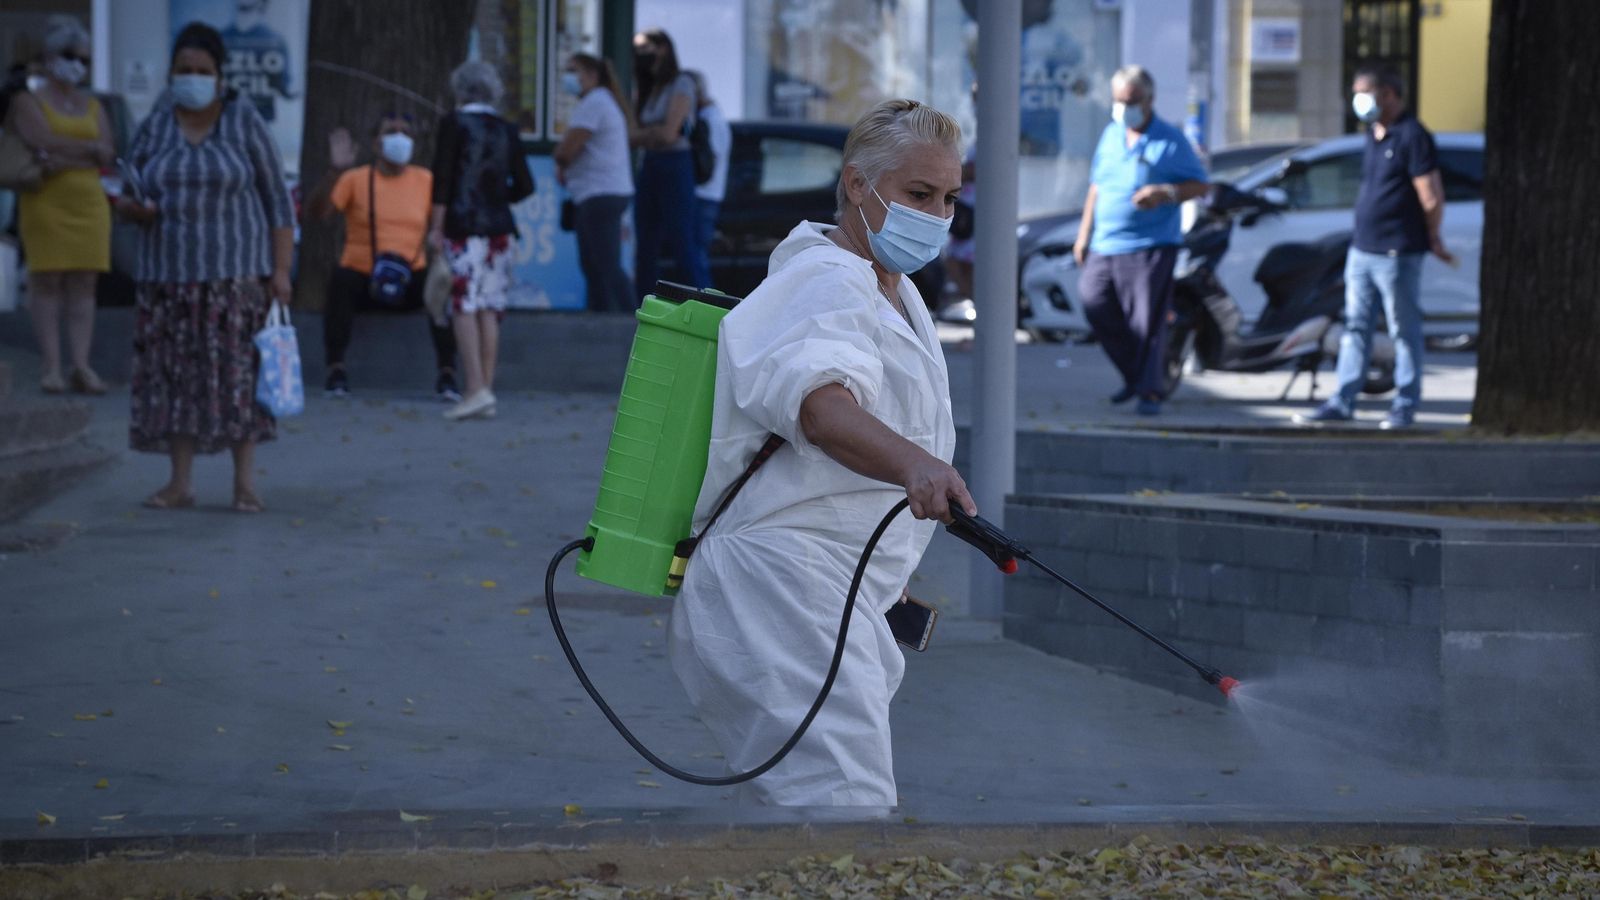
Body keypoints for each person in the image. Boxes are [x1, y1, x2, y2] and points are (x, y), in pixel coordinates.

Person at [668, 99, 974, 807]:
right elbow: (822, 407)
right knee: (844, 808)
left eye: (950, 198)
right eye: (918, 193)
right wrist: (915, 466)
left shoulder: (892, 289)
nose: (937, 215)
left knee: (814, 814)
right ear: (858, 185)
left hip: (828, 589)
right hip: (784, 584)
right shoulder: (827, 278)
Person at [116, 22, 294, 512]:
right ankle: (180, 483)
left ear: (220, 77)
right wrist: (134, 208)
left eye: (202, 70)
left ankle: (245, 484)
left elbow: (278, 201)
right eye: (184, 69)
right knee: (174, 380)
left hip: (234, 280)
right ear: (171, 73)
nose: (192, 78)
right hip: (166, 279)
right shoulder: (156, 123)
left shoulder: (244, 120)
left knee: (238, 381)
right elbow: (128, 190)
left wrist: (281, 272)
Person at [1294, 65, 1453, 431]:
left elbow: (1430, 195)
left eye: (1363, 92)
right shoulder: (1374, 133)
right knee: (1355, 328)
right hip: (1363, 249)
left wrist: (1433, 236)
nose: (1358, 100)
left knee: (1403, 330)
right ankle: (1342, 401)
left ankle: (1405, 404)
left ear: (1388, 94)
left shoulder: (1412, 135)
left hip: (1397, 251)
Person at [1072, 65, 1207, 416]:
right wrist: (1084, 235)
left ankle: (1150, 391)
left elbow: (1200, 185)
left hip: (1150, 245)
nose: (1124, 108)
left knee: (1145, 322)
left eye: (1131, 102)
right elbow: (1097, 187)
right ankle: (1137, 375)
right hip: (1105, 243)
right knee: (1094, 303)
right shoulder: (1111, 134)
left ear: (1150, 100)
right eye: (1119, 101)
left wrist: (1165, 193)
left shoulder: (1171, 139)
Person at [306, 113, 458, 400]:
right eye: (391, 131)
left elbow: (445, 223)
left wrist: (438, 236)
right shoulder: (354, 179)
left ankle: (448, 374)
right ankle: (336, 370)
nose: (399, 138)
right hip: (365, 277)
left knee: (441, 287)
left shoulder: (426, 180)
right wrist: (334, 172)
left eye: (405, 132)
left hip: (410, 278)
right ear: (376, 143)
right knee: (341, 279)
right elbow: (317, 214)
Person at [8, 16, 114, 395]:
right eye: (70, 55)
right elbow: (40, 140)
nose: (77, 65)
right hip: (45, 200)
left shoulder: (93, 104)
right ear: (51, 56)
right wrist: (86, 150)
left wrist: (65, 153)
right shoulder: (27, 101)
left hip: (89, 202)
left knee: (85, 283)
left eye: (84, 59)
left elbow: (107, 150)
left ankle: (81, 366)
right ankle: (51, 367)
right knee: (47, 280)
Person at [428, 60, 535, 421]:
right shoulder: (506, 128)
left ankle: (474, 389)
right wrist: (499, 197)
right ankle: (485, 389)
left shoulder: (454, 123)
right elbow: (525, 184)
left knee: (464, 305)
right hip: (499, 231)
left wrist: (436, 227)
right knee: (490, 307)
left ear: (460, 89)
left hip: (462, 227)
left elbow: (442, 180)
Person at [552, 53, 634, 313]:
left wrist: (560, 158)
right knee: (595, 265)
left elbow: (567, 151)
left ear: (592, 75)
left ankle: (627, 318)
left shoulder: (595, 102)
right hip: (603, 193)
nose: (568, 77)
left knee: (604, 265)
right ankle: (602, 318)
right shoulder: (602, 101)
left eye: (573, 70)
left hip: (599, 193)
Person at [629, 28, 706, 296]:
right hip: (651, 163)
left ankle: (703, 302)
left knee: (681, 240)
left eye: (645, 47)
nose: (640, 54)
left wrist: (648, 135)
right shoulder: (650, 87)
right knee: (646, 242)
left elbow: (668, 134)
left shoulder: (681, 83)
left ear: (663, 49)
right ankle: (643, 301)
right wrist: (653, 134)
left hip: (675, 164)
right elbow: (633, 135)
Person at [686, 70, 730, 289]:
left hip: (702, 194)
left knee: (695, 258)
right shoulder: (716, 118)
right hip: (710, 194)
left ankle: (703, 299)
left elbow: (708, 162)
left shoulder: (707, 120)